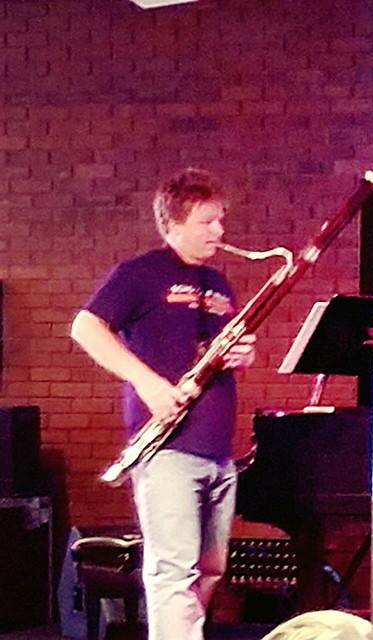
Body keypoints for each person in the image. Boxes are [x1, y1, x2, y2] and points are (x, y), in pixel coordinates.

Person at [71, 168, 256, 640]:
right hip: (167, 449)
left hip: (218, 452)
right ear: (173, 224)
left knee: (210, 571)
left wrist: (242, 356)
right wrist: (148, 383)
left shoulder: (219, 285)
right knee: (174, 572)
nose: (219, 230)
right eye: (207, 221)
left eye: (221, 219)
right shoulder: (139, 274)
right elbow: (85, 327)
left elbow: (219, 353)